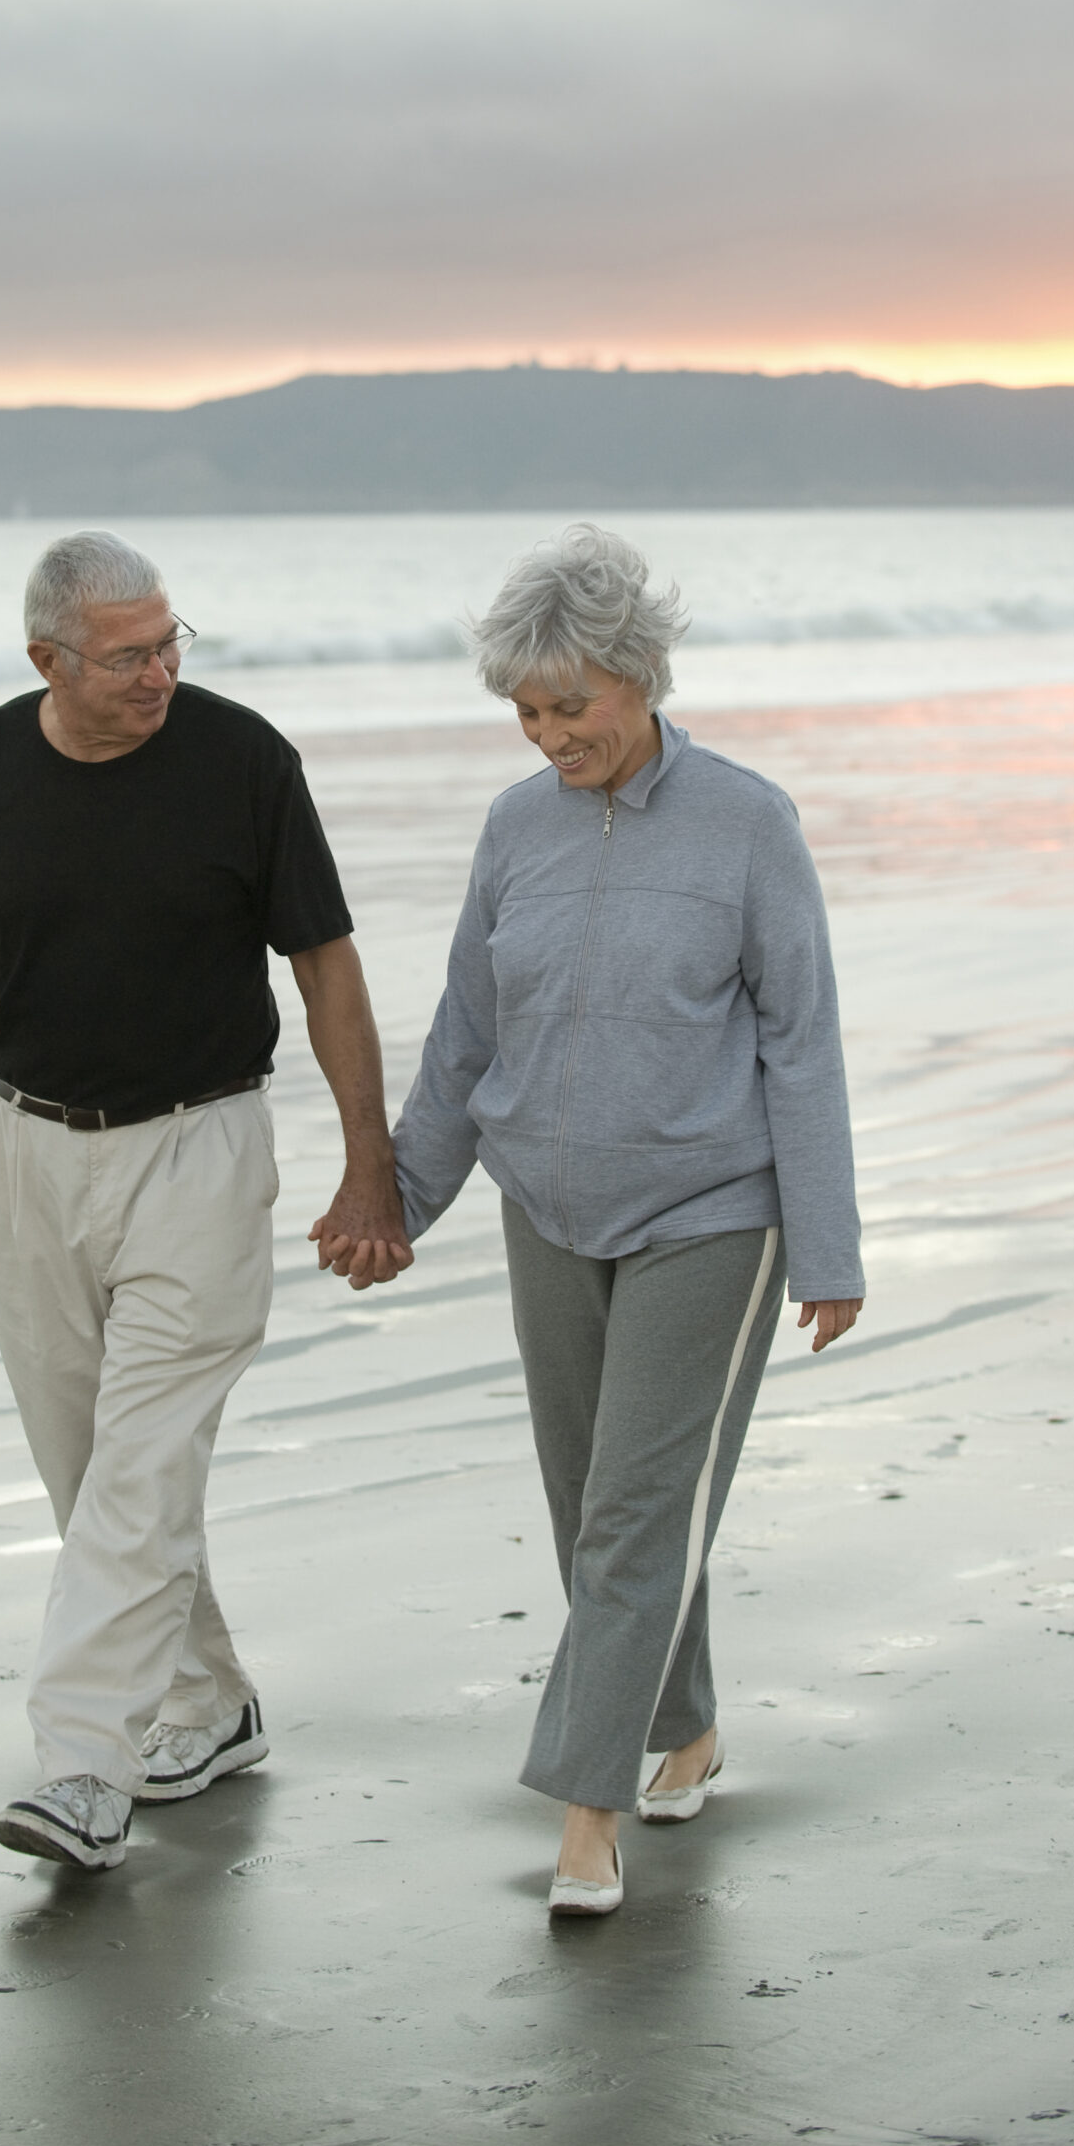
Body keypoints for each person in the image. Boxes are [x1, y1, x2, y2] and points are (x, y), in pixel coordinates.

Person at [0, 531, 410, 1872]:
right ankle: (210, 1704)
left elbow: (325, 964)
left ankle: (81, 1770)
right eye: (129, 655)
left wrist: (369, 1161)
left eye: (172, 643)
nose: (159, 672)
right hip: (28, 1151)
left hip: (200, 1152)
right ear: (46, 660)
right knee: (91, 1469)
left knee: (138, 1466)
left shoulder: (243, 761)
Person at [382, 525, 864, 1916]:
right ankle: (683, 1723)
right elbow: (465, 1033)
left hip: (710, 1211)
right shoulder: (512, 828)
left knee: (637, 1512)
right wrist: (403, 1201)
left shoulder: (747, 822)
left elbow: (803, 1040)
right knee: (594, 1508)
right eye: (526, 713)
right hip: (546, 1206)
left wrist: (824, 1244)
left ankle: (586, 1813)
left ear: (639, 678)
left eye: (569, 706)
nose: (547, 737)